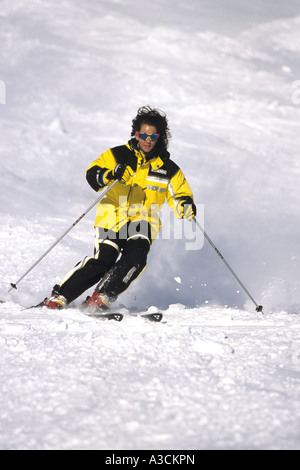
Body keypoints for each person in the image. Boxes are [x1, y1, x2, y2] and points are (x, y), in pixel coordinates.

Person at [43, 106, 196, 311]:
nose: (147, 140)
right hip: (112, 213)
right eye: (143, 134)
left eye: (152, 136)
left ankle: (103, 295)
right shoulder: (118, 155)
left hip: (144, 218)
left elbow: (180, 194)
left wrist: (184, 206)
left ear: (159, 137)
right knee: (104, 260)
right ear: (136, 134)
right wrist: (111, 173)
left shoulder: (168, 168)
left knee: (137, 256)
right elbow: (92, 175)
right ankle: (60, 295)